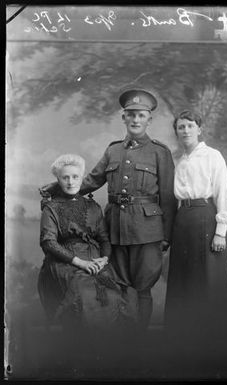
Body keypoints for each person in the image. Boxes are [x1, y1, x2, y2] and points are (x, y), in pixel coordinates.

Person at [40, 89, 177, 331]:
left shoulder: (159, 152)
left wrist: (166, 236)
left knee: (143, 286)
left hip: (148, 231)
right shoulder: (113, 150)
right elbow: (92, 181)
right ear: (124, 118)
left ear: (149, 119)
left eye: (141, 115)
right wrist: (55, 187)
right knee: (119, 283)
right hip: (116, 228)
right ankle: (122, 339)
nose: (135, 120)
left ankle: (141, 341)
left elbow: (167, 197)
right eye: (131, 115)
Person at [38, 154, 138, 336]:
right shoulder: (51, 208)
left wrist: (104, 259)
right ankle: (87, 347)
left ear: (82, 178)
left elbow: (104, 239)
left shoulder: (93, 207)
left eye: (75, 177)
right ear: (58, 180)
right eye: (65, 177)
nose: (70, 182)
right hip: (64, 262)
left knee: (117, 292)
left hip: (96, 260)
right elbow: (49, 242)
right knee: (85, 292)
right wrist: (80, 263)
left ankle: (112, 349)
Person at [164, 110, 227, 334]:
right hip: (183, 219)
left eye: (190, 126)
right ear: (176, 132)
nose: (185, 131)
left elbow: (222, 192)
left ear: (199, 129)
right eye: (181, 127)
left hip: (205, 216)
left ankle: (209, 334)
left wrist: (220, 231)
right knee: (183, 276)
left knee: (206, 275)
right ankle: (181, 333)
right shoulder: (180, 160)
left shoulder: (213, 155)